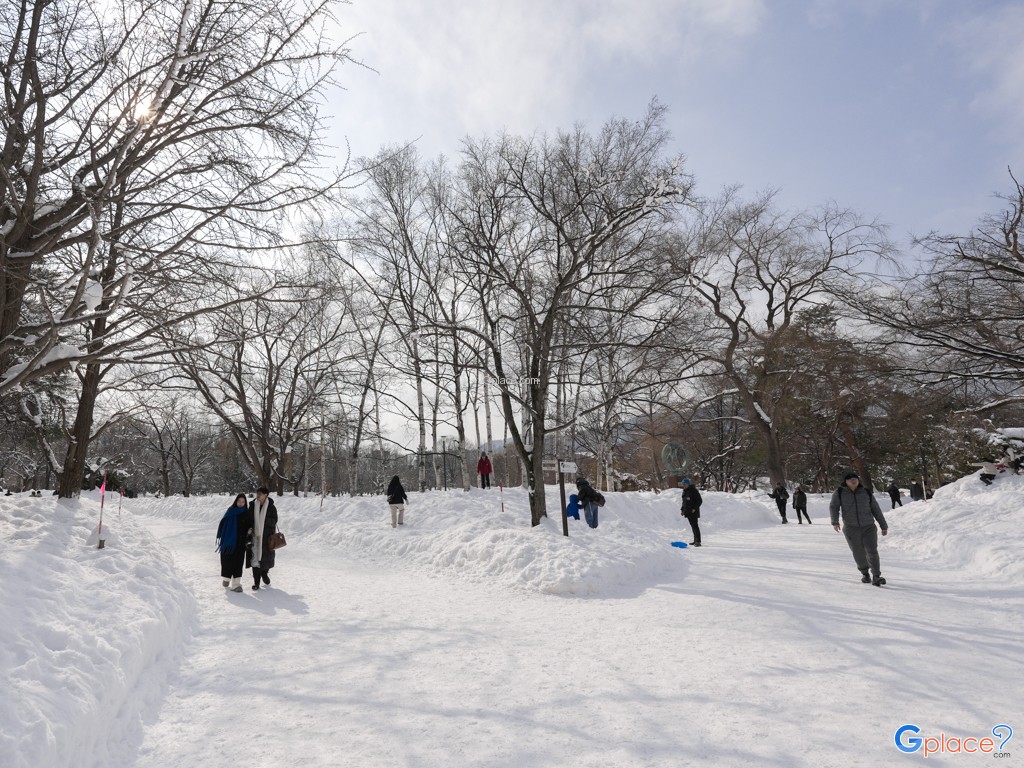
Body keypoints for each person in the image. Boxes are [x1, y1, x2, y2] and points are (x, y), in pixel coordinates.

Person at [830, 471, 889, 586]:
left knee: (872, 551)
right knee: (858, 552)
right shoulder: (840, 492)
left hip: (869, 527)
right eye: (850, 479)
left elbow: (876, 509)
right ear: (846, 482)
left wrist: (883, 525)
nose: (853, 480)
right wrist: (835, 522)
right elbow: (834, 507)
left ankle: (876, 576)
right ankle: (865, 573)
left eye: (855, 478)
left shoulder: (866, 492)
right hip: (851, 528)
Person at [217, 494, 254, 593]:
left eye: (243, 502)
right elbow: (223, 524)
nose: (241, 503)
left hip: (241, 542)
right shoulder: (230, 511)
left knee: (238, 562)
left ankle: (236, 584)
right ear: (236, 501)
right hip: (228, 542)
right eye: (239, 501)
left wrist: (250, 529)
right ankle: (226, 578)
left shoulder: (247, 513)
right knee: (227, 560)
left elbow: (250, 524)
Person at [247, 487, 278, 590]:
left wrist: (264, 520)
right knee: (255, 560)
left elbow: (274, 521)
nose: (258, 495)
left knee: (266, 560)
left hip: (267, 538)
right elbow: (249, 519)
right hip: (255, 537)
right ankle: (256, 583)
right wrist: (250, 528)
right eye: (257, 493)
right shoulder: (252, 505)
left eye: (260, 493)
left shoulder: (271, 507)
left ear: (266, 495)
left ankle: (264, 574)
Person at [679, 477, 703, 546]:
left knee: (695, 526)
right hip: (688, 512)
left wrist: (694, 508)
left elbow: (699, 501)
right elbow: (684, 502)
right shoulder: (685, 491)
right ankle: (695, 540)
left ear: (688, 484)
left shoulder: (694, 491)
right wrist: (682, 509)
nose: (684, 485)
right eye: (683, 484)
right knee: (692, 526)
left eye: (685, 484)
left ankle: (698, 541)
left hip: (693, 512)